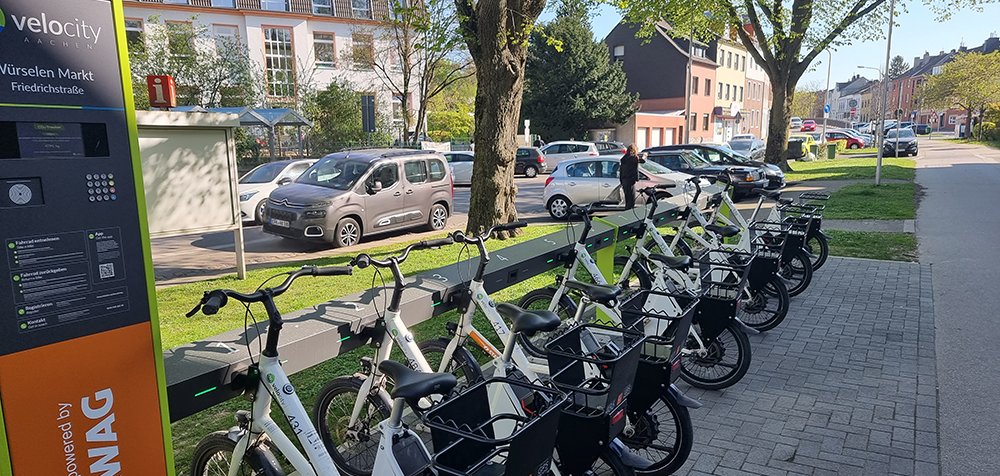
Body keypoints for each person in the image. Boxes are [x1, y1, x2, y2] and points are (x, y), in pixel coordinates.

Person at [620, 144, 645, 209]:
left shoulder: (624, 158)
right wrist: (645, 155)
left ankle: (627, 210)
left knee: (627, 198)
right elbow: (643, 160)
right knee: (631, 199)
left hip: (624, 180)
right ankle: (629, 212)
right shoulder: (632, 158)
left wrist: (621, 181)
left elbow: (621, 171)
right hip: (630, 181)